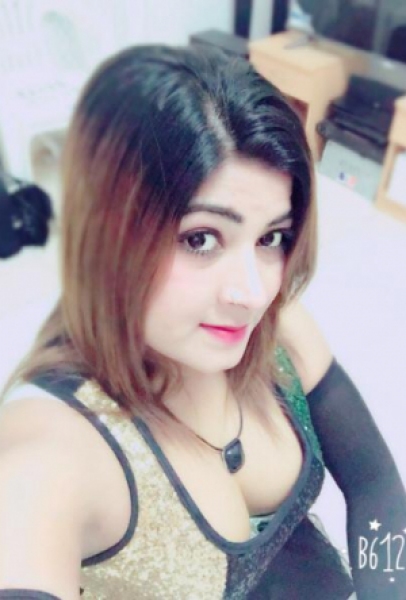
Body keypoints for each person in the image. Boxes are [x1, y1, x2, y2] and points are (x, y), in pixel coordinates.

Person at [0, 45, 404, 600]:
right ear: (107, 234)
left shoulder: (278, 327)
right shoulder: (52, 448)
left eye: (271, 237)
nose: (253, 293)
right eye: (200, 239)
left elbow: (373, 481)